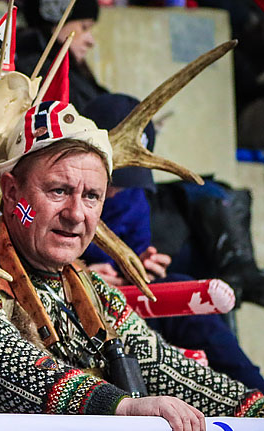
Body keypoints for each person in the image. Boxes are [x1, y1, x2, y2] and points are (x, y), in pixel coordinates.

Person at [0, 100, 262, 431]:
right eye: (58, 190)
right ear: (10, 191)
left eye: (92, 196)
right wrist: (119, 406)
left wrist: (255, 409)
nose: (77, 214)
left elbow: (167, 369)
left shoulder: (94, 294)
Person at [80, 93, 264, 390]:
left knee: (184, 292)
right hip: (76, 299)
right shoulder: (68, 191)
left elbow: (135, 253)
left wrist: (139, 267)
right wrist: (83, 275)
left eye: (128, 180)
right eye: (114, 178)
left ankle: (255, 396)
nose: (115, 191)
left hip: (124, 300)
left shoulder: (134, 199)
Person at [15, 0, 108, 113]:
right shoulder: (36, 68)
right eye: (84, 27)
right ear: (56, 25)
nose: (91, 41)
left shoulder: (74, 69)